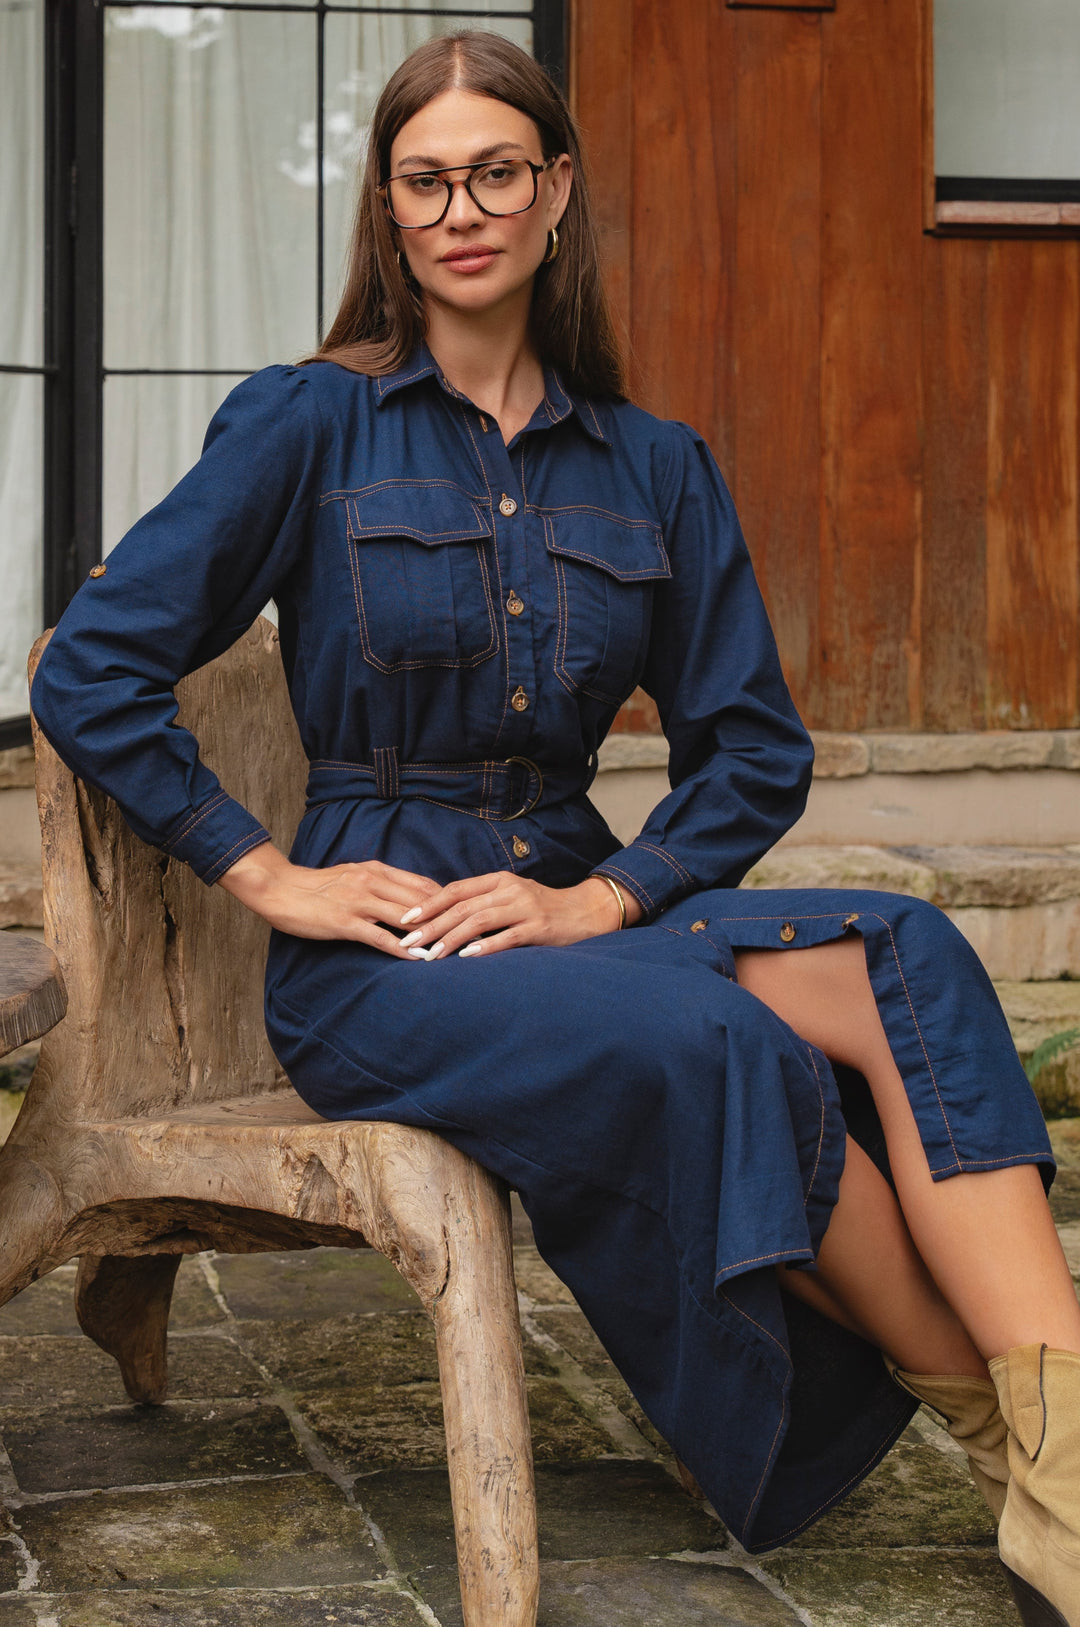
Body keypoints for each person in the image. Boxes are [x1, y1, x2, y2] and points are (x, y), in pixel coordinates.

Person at [28, 30, 1080, 1626]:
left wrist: (613, 896)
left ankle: (1058, 1469)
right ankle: (1012, 1444)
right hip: (391, 960)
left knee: (909, 952)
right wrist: (268, 871)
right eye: (426, 181)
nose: (463, 211)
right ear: (389, 210)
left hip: (575, 915)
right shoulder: (309, 423)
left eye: (496, 173)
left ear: (557, 189)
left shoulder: (654, 466)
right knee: (719, 1042)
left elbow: (753, 749)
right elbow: (92, 670)